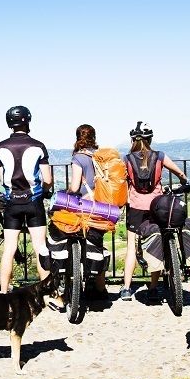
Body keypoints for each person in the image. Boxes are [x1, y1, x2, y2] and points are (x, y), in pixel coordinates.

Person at [121, 121, 189, 302]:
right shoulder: (159, 156)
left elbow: (122, 182)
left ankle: (127, 289)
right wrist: (185, 182)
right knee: (157, 244)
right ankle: (152, 287)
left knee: (131, 247)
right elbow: (180, 174)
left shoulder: (126, 159)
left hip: (135, 206)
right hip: (157, 207)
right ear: (150, 139)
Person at [0, 106, 52, 292]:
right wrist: (44, 191)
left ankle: (4, 291)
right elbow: (48, 180)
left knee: (9, 248)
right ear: (28, 120)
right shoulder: (38, 146)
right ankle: (47, 291)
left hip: (12, 202)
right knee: (40, 247)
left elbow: (2, 178)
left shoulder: (0, 147)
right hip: (33, 201)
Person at [64, 124, 109, 298]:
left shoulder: (78, 158)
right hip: (102, 206)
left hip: (84, 206)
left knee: (73, 238)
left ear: (77, 138)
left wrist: (67, 192)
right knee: (96, 245)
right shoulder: (100, 156)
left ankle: (72, 283)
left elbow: (75, 186)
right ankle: (100, 288)